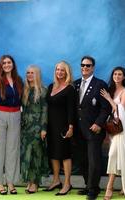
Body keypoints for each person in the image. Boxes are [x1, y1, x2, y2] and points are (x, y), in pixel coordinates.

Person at [100, 67, 125, 200]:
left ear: (124, 77)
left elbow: (121, 110)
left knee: (113, 155)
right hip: (111, 128)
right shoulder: (110, 90)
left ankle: (109, 188)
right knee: (121, 156)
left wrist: (109, 99)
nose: (117, 76)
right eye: (115, 74)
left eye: (120, 74)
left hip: (121, 128)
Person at [74, 55, 111, 200]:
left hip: (94, 130)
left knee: (94, 160)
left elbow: (105, 107)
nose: (85, 67)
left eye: (88, 65)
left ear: (93, 67)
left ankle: (94, 189)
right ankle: (88, 185)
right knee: (82, 160)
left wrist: (98, 123)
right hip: (78, 130)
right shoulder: (75, 84)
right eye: (82, 65)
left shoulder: (100, 84)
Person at [0, 55, 23, 195]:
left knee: (13, 150)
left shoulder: (18, 81)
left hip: (15, 116)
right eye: (4, 63)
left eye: (9, 62)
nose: (7, 65)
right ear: (1, 66)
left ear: (13, 64)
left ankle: (11, 182)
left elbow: (22, 100)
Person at [44, 61, 75, 195]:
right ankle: (56, 180)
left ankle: (67, 183)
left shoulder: (70, 89)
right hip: (51, 126)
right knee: (53, 154)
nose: (59, 72)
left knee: (65, 155)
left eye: (62, 70)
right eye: (57, 69)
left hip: (63, 127)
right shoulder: (51, 86)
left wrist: (71, 127)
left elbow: (71, 110)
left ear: (67, 72)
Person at [20, 65, 49, 194]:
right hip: (25, 128)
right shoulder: (25, 90)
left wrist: (43, 128)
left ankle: (35, 182)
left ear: (37, 75)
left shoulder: (43, 90)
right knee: (26, 155)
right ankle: (29, 181)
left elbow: (45, 111)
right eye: (27, 73)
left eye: (32, 73)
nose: (29, 75)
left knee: (36, 155)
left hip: (37, 128)